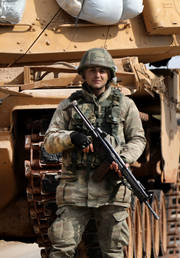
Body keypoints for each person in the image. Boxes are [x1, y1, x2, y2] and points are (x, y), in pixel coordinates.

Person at [44, 48, 146, 258]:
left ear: (109, 74)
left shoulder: (126, 105)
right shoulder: (69, 106)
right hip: (74, 190)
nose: (97, 75)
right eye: (91, 70)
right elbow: (49, 141)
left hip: (112, 190)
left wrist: (124, 159)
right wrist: (71, 138)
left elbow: (138, 139)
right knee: (61, 249)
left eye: (102, 70)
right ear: (84, 74)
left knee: (113, 251)